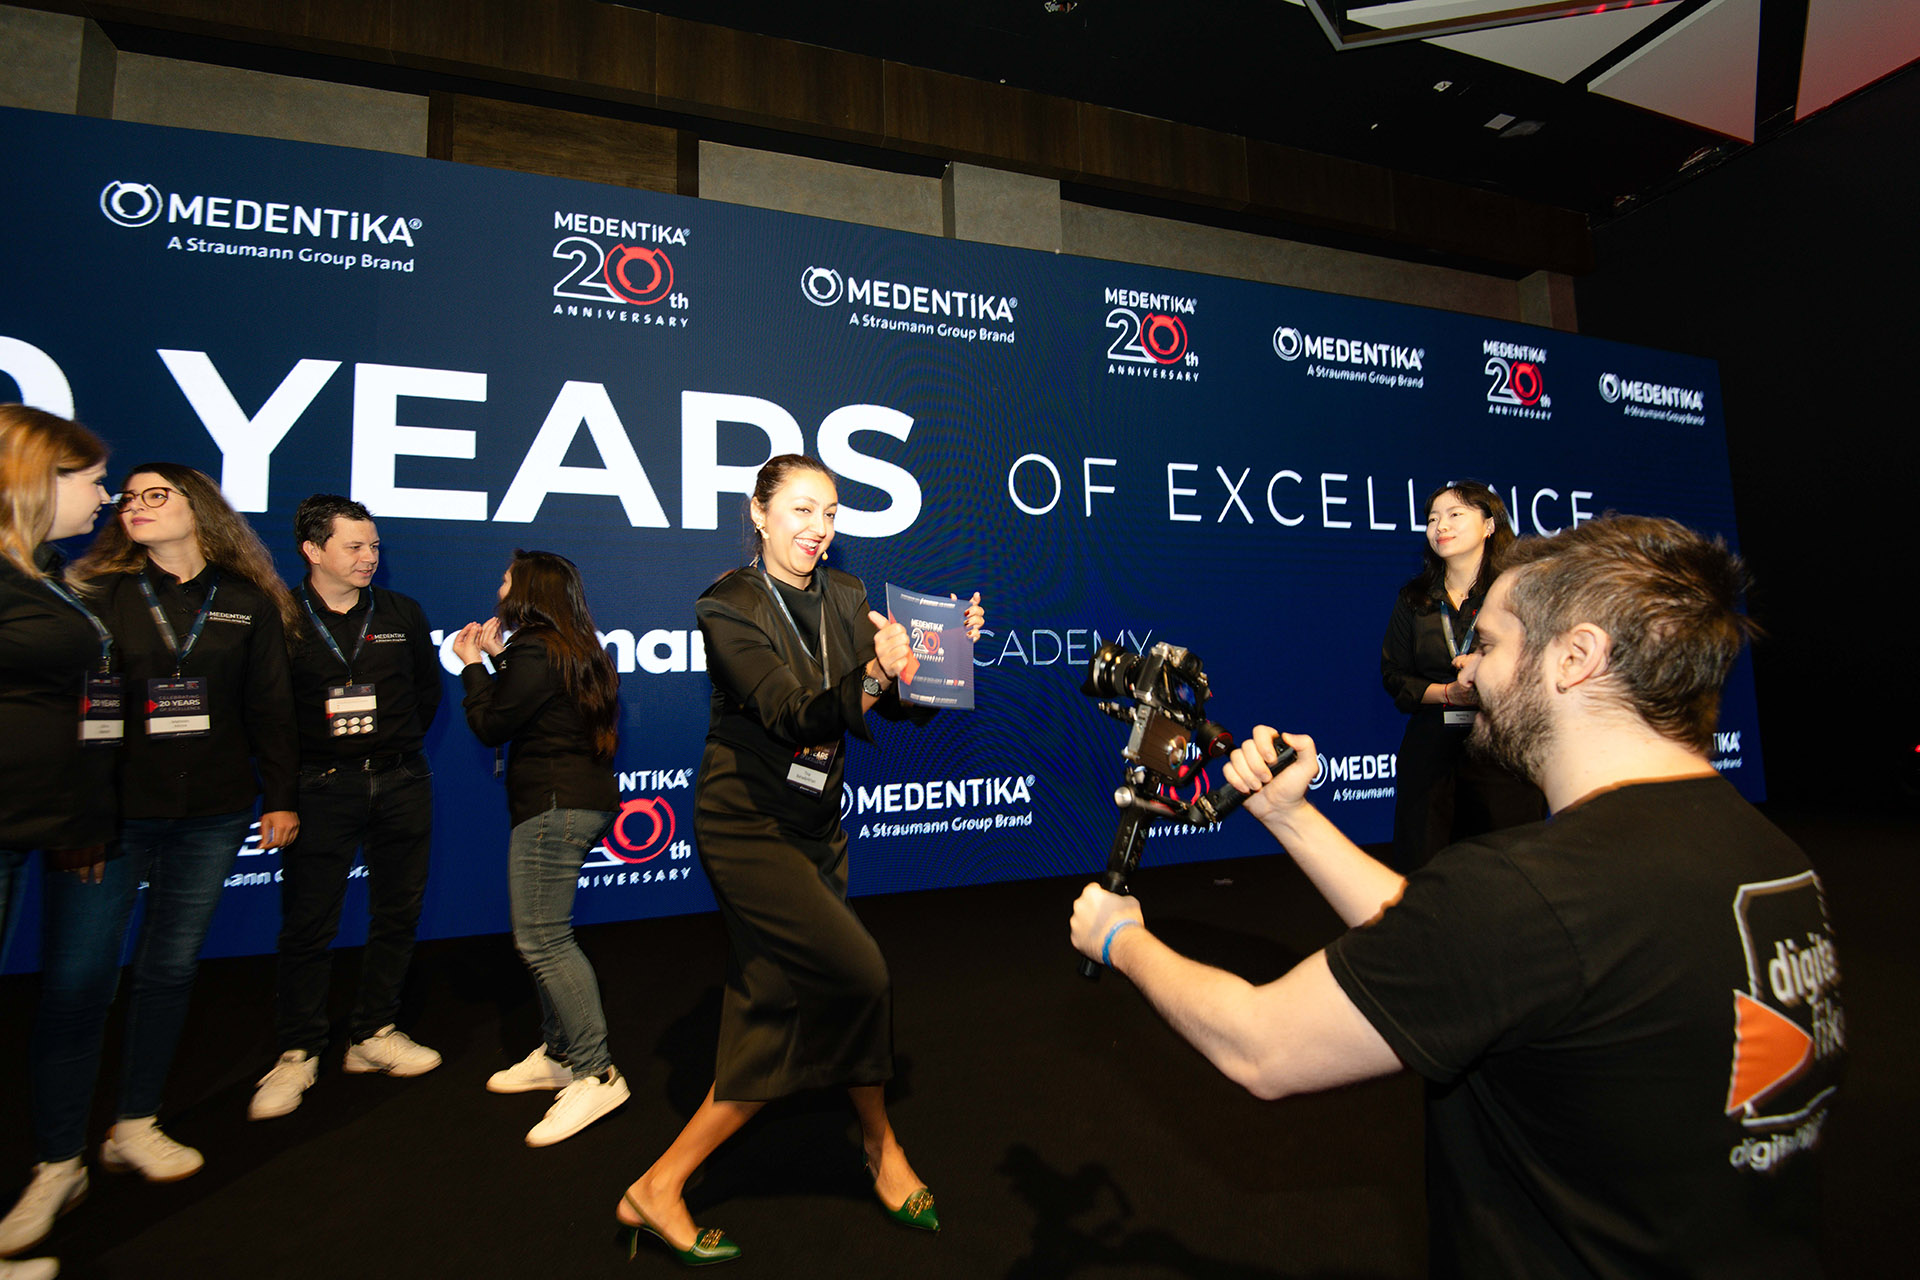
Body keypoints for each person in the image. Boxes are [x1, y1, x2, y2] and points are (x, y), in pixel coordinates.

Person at [1070, 515, 1844, 1277]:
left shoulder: (1528, 893)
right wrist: (1289, 816)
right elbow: (1464, 946)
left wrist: (1119, 937)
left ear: (1575, 657)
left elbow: (1262, 1046)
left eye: (1490, 644)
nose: (1467, 670)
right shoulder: (1769, 856)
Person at [616, 454, 984, 1265]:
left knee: (775, 1006)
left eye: (831, 513)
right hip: (747, 825)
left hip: (818, 823)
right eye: (801, 509)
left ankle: (657, 1187)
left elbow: (894, 706)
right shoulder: (727, 605)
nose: (818, 528)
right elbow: (790, 713)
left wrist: (938, 662)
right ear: (759, 512)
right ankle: (882, 1146)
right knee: (861, 976)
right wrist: (874, 672)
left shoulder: (847, 595)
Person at [64, 464, 300, 1180]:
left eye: (155, 495)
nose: (134, 506)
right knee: (82, 980)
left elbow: (271, 708)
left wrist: (280, 796)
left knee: (168, 970)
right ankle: (58, 1153)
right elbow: (74, 714)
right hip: (111, 818)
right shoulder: (96, 594)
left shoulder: (246, 602)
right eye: (128, 497)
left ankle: (136, 1121)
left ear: (198, 509)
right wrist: (81, 814)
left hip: (213, 815)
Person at [250, 494, 443, 1120]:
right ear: (313, 550)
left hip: (401, 780)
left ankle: (374, 1033)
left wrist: (394, 751)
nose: (368, 557)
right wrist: (282, 796)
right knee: (309, 922)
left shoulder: (401, 611)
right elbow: (269, 715)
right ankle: (298, 1050)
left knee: (397, 912)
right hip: (320, 786)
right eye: (354, 546)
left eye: (374, 546)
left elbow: (425, 693)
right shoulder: (280, 618)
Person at [452, 550, 626, 1147]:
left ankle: (597, 1072)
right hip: (577, 801)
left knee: (543, 940)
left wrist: (472, 665)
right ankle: (559, 1053)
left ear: (528, 591)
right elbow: (536, 703)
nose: (499, 589)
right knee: (546, 936)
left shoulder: (536, 650)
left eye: (507, 580)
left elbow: (492, 724)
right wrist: (499, 659)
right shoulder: (573, 649)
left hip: (554, 808)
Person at [0, 404, 116, 1275]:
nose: (104, 498)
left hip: (54, 826)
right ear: (38, 479)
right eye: (93, 481)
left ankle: (60, 1161)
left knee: (77, 996)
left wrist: (83, 815)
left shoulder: (45, 576)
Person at [1379, 480, 1541, 872]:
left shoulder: (1518, 593)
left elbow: (1540, 664)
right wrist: (1449, 692)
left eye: (1455, 514)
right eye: (1433, 519)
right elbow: (1395, 675)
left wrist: (1486, 672)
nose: (1441, 526)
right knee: (1425, 866)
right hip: (1431, 750)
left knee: (1505, 866)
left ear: (1489, 525)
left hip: (1500, 747)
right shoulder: (1414, 598)